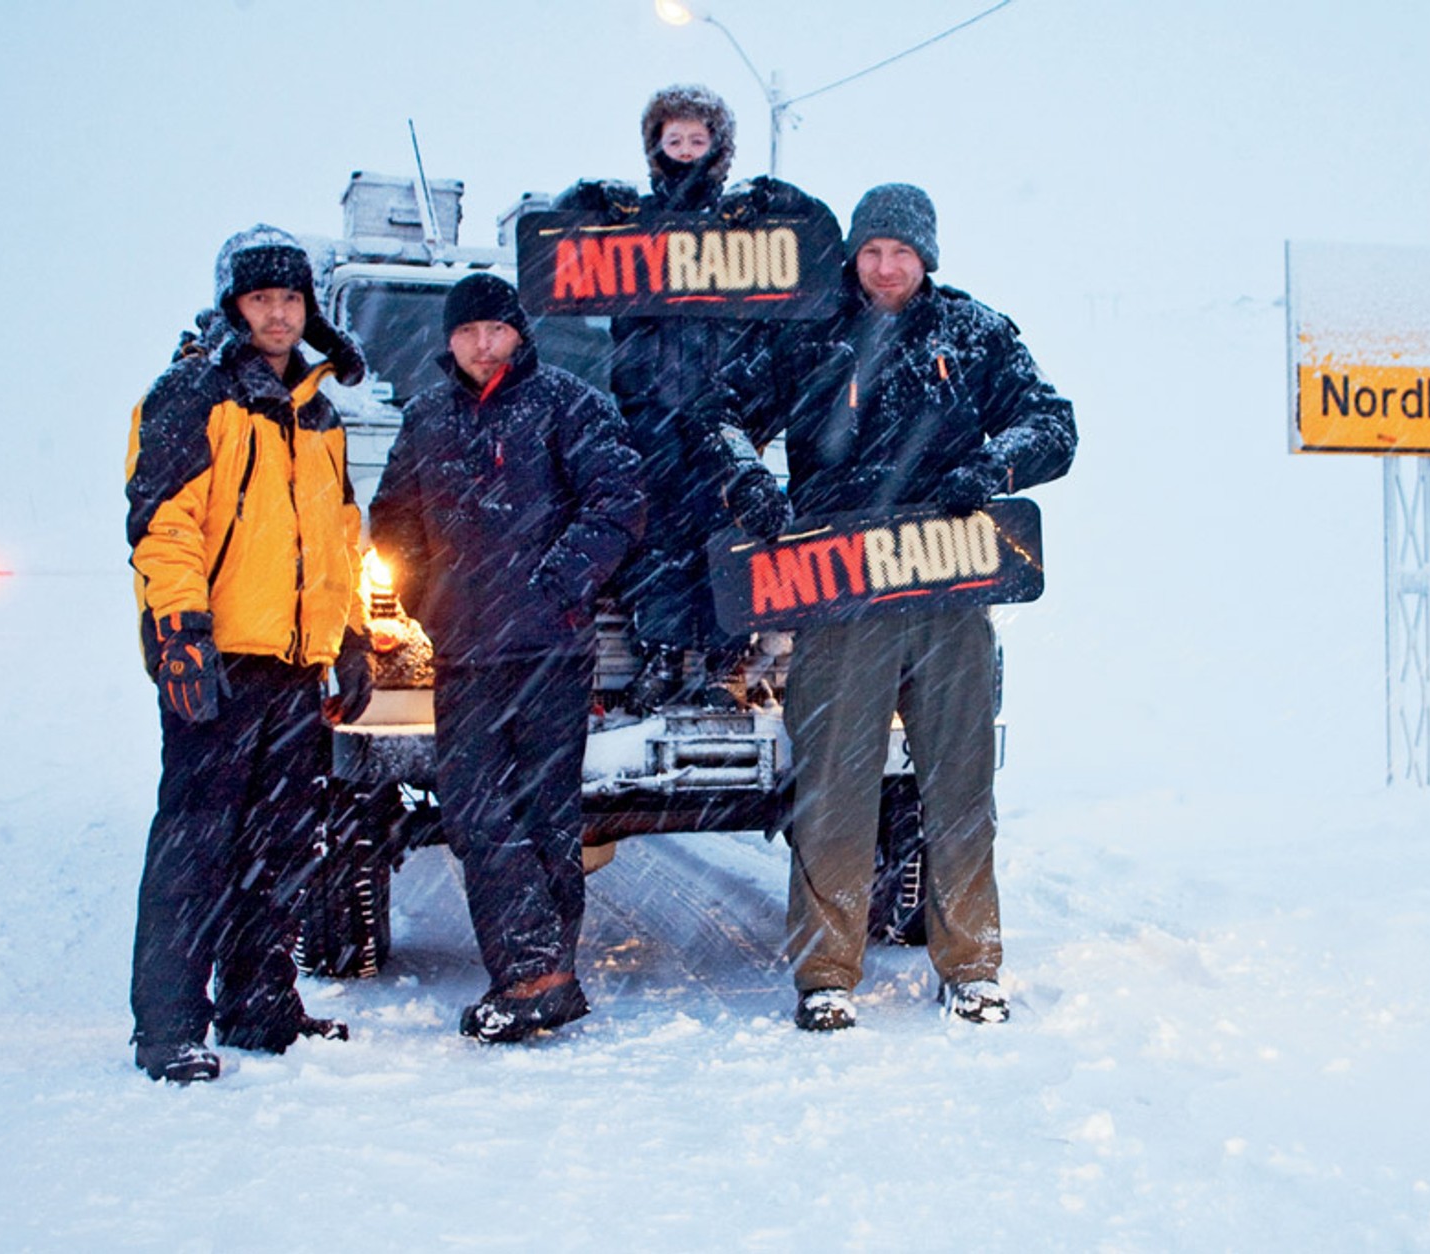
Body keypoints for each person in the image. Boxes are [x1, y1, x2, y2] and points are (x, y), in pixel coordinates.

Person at [712, 184, 1078, 1031]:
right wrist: (749, 482)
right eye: (872, 250)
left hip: (950, 583)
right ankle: (827, 974)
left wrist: (988, 472)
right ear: (854, 255)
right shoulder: (806, 330)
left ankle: (974, 965)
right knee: (835, 790)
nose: (885, 266)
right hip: (838, 590)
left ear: (927, 259)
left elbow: (1051, 424)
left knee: (958, 786)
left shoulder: (974, 332)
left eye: (901, 253)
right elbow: (721, 415)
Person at [124, 225, 375, 1083]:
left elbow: (339, 537)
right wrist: (179, 634)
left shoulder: (317, 411)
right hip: (219, 661)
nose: (277, 312)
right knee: (196, 847)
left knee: (280, 844)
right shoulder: (194, 394)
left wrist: (349, 638)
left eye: (291, 299)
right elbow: (163, 526)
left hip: (296, 668)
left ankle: (260, 1006)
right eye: (262, 298)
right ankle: (168, 1028)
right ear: (235, 305)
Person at [368, 274, 644, 1043]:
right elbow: (391, 522)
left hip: (550, 649)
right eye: (468, 333)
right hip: (463, 651)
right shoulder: (424, 418)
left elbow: (619, 501)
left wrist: (561, 580)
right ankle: (540, 975)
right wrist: (427, 602)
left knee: (546, 818)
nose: (482, 345)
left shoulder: (568, 403)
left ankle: (535, 979)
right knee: (474, 812)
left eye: (496, 330)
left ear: (519, 333)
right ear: (449, 342)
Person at [554, 83, 809, 708]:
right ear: (656, 146)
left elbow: (818, 244)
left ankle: (723, 666)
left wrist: (781, 198)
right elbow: (551, 242)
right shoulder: (631, 227)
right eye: (675, 140)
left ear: (718, 147)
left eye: (699, 139)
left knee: (729, 537)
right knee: (657, 538)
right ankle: (662, 657)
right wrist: (585, 198)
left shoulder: (745, 230)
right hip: (648, 416)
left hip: (729, 418)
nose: (687, 151)